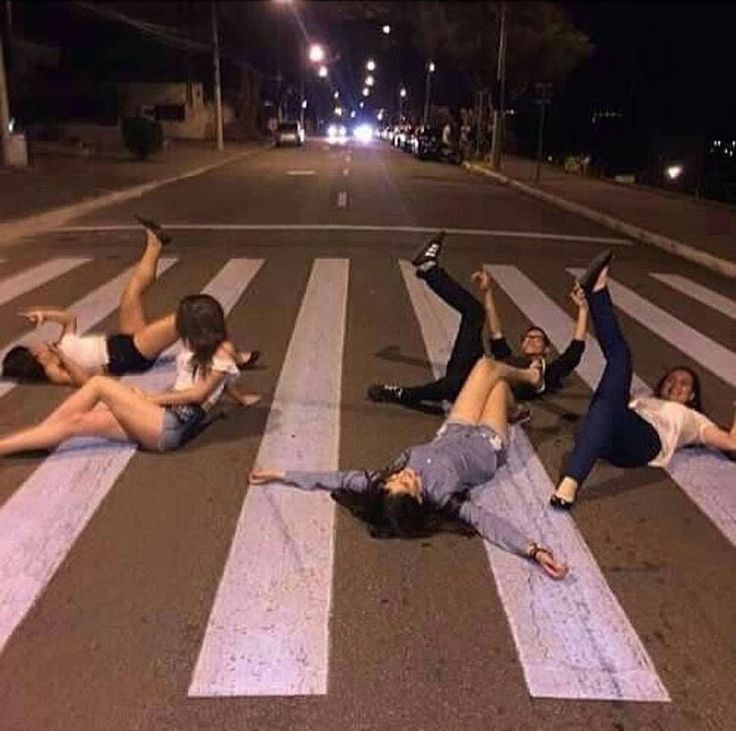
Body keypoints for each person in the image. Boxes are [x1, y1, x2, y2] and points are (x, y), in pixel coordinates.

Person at [250, 356, 569, 579]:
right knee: (497, 385)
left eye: (394, 480)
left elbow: (336, 478)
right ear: (418, 499)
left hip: (455, 429)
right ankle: (528, 384)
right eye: (406, 483)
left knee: (486, 366)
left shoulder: (384, 480)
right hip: (487, 444)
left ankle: (524, 392)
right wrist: (533, 550)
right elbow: (488, 523)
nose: (401, 475)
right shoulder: (445, 499)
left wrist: (280, 473)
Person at [550, 251, 736, 509]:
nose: (676, 384)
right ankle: (594, 295)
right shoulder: (644, 400)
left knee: (621, 360)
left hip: (644, 442)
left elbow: (732, 443)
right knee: (608, 397)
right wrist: (581, 312)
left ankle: (570, 483)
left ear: (692, 396)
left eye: (684, 383)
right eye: (672, 379)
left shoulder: (696, 421)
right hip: (603, 431)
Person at [1, 216, 259, 386]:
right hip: (128, 355)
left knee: (131, 292)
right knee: (187, 317)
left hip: (122, 341)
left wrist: (44, 315)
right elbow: (83, 382)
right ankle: (233, 356)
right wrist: (59, 358)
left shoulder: (59, 345)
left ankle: (155, 244)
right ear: (31, 357)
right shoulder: (54, 371)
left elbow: (70, 319)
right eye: (32, 348)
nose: (37, 345)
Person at [0, 294, 260, 456]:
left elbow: (199, 392)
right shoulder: (201, 344)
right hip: (159, 422)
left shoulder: (223, 350)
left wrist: (149, 398)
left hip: (172, 424)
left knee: (100, 384)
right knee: (76, 422)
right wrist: (241, 398)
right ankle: (31, 441)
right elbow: (221, 381)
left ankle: (42, 434)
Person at [368, 232, 588, 417]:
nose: (530, 340)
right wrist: (488, 291)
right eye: (527, 337)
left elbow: (575, 352)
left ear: (547, 349)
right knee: (475, 312)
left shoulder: (550, 372)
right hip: (471, 371)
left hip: (477, 389)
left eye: (537, 338)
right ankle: (429, 269)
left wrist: (583, 309)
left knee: (453, 385)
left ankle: (399, 393)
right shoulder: (508, 357)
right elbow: (495, 330)